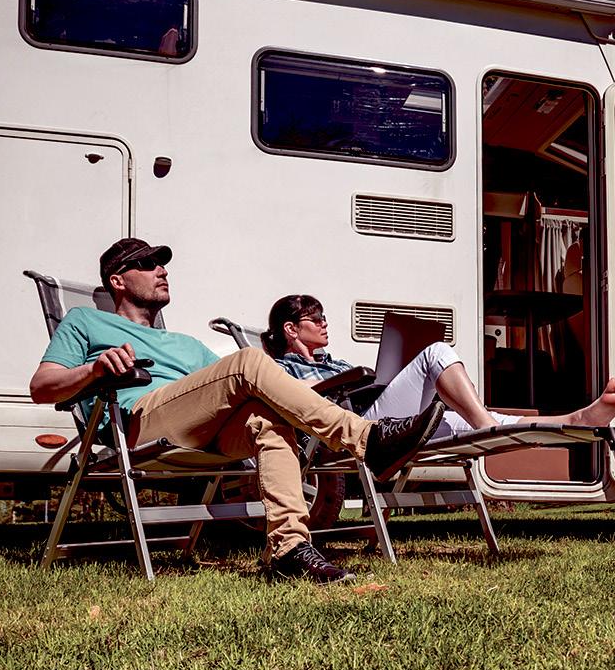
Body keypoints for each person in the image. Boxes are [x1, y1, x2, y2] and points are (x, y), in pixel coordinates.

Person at [29, 239, 445, 584]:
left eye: (162, 263)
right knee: (249, 361)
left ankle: (289, 549)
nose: (161, 270)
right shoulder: (86, 321)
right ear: (117, 281)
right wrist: (93, 370)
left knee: (269, 420)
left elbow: (247, 383)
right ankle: (368, 440)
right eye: (147, 264)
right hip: (138, 421)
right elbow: (41, 387)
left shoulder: (186, 344)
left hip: (200, 429)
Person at [262, 294, 615, 439]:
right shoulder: (280, 368)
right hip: (355, 427)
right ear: (291, 329)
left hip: (377, 414)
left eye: (324, 317)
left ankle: (577, 419)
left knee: (472, 419)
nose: (325, 323)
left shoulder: (334, 362)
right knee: (436, 352)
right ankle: (486, 428)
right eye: (315, 319)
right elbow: (298, 401)